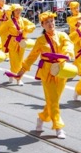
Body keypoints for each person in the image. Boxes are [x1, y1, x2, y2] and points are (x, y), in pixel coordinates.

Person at [16, 11, 75, 139]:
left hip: (61, 70)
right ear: (42, 25)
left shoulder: (62, 35)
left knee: (54, 100)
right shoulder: (41, 40)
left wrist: (68, 53)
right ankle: (58, 127)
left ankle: (42, 118)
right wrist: (22, 71)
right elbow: (32, 56)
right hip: (47, 72)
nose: (50, 24)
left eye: (52, 21)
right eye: (47, 22)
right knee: (53, 101)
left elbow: (69, 44)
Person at [2, 4, 36, 86]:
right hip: (13, 43)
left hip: (22, 43)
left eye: (19, 10)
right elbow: (0, 31)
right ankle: (18, 78)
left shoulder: (23, 20)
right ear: (13, 12)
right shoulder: (8, 22)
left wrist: (24, 29)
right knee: (15, 61)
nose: (18, 12)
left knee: (19, 61)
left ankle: (12, 74)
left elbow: (33, 26)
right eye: (16, 10)